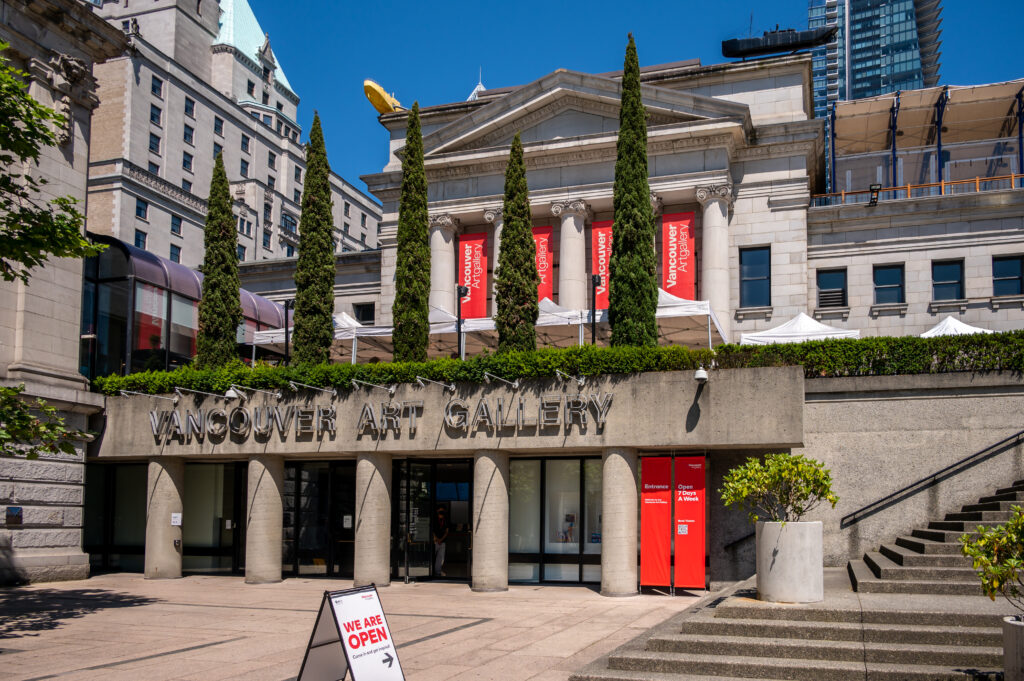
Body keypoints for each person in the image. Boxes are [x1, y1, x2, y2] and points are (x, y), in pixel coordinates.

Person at [432, 505, 449, 577]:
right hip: (434, 541)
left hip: (442, 541)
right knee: (432, 556)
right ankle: (430, 571)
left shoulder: (446, 520)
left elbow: (447, 531)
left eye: (442, 511)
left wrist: (441, 539)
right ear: (437, 511)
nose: (441, 513)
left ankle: (438, 571)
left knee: (441, 557)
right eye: (440, 511)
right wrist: (436, 538)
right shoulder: (434, 519)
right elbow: (432, 530)